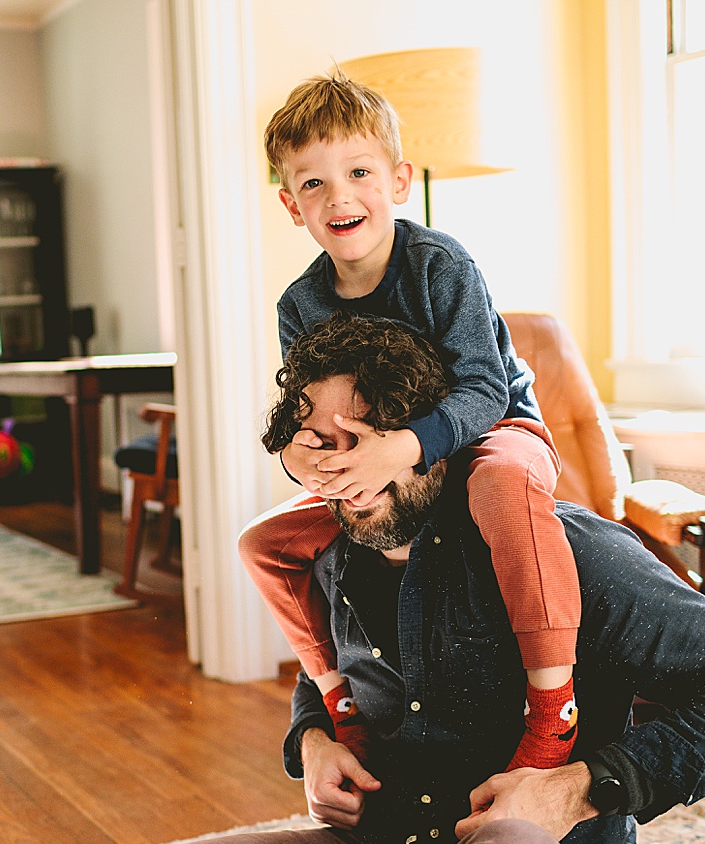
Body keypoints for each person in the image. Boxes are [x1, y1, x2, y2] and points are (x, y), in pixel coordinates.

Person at [6, 316, 705, 844]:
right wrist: (314, 738)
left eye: (361, 438)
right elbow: (331, 670)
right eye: (318, 441)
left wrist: (575, 790)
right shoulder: (325, 550)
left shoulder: (570, 552)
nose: (335, 468)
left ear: (428, 438)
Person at [238, 72, 581, 773]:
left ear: (398, 181)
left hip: (493, 434)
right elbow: (305, 417)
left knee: (503, 486)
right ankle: (341, 705)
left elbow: (484, 388)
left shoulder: (440, 266)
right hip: (382, 465)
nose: (339, 196)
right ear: (289, 203)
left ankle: (554, 707)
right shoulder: (298, 305)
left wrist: (404, 446)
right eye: (312, 183)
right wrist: (307, 460)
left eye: (358, 172)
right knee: (263, 543)